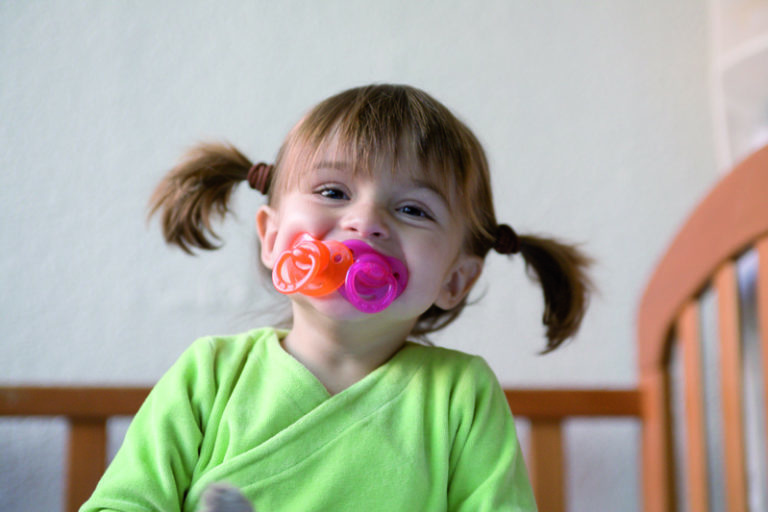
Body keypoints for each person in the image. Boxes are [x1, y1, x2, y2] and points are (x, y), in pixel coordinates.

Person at [80, 84, 591, 512]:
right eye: (332, 192)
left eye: (413, 209)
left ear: (455, 279)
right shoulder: (209, 375)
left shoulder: (461, 395)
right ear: (273, 238)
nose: (365, 222)